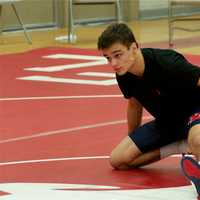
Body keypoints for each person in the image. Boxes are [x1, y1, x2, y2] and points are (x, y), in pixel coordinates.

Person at [97, 22, 200, 198]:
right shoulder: (124, 74)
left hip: (194, 114)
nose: (113, 63)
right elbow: (134, 104)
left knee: (198, 139)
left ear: (134, 47)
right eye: (108, 58)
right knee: (119, 159)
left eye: (118, 55)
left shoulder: (167, 62)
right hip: (167, 123)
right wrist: (135, 139)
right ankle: (180, 146)